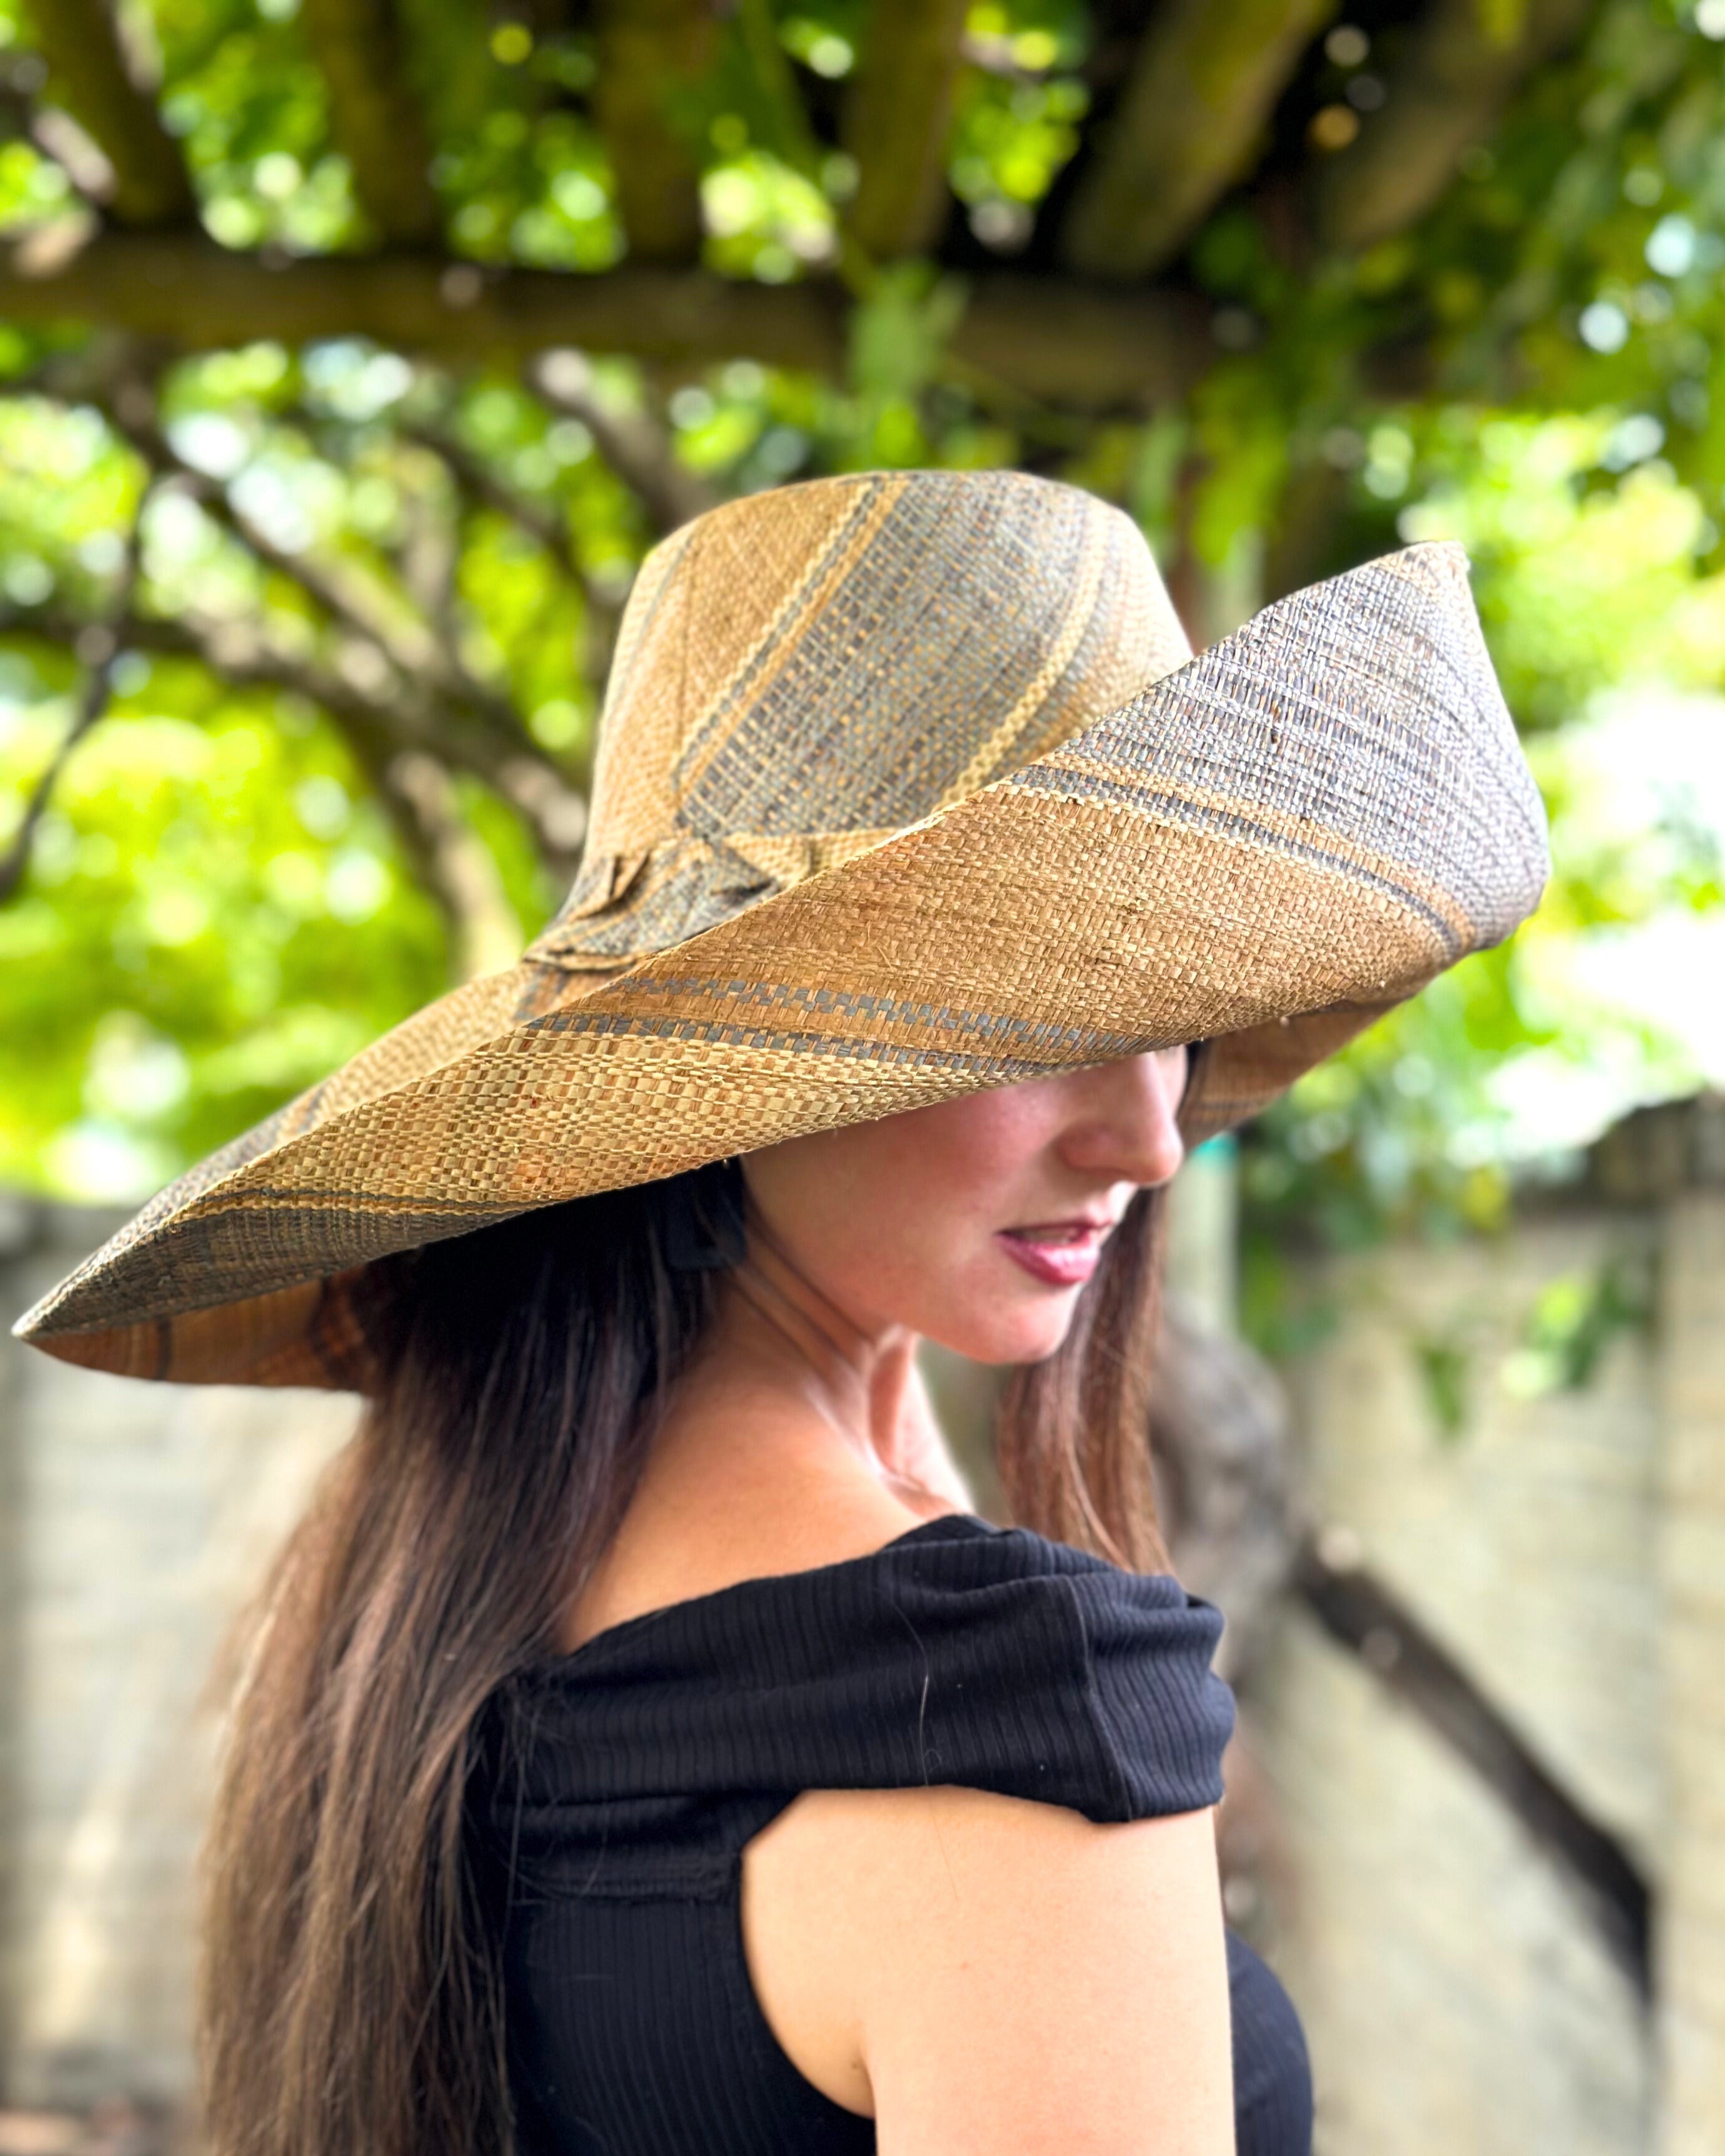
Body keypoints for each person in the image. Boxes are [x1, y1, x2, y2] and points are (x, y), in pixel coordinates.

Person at [15, 469, 1548, 2156]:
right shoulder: (1001, 1717)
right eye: (1041, 1014)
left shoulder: (432, 1581)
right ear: (748, 1066)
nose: (1147, 1134)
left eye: (1178, 1017)